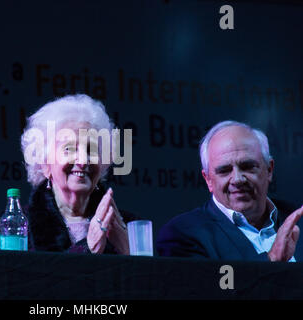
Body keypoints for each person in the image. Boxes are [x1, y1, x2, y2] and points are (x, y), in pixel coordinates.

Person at [156, 120, 302, 261]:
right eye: (224, 170)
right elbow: (215, 286)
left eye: (247, 166)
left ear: (269, 170)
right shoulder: (183, 234)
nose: (237, 179)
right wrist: (271, 259)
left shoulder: (298, 219)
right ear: (208, 180)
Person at [21, 94, 136, 254]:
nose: (82, 160)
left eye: (91, 150)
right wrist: (87, 248)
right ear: (45, 163)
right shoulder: (19, 225)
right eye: (69, 149)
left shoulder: (130, 227)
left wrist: (129, 251)